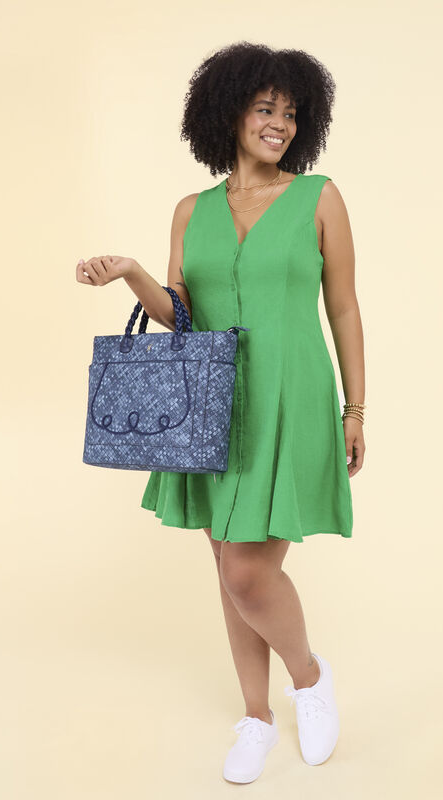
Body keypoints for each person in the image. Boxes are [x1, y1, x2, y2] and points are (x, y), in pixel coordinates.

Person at [75, 41, 365, 784]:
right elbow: (180, 313)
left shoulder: (319, 197)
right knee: (227, 568)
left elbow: (343, 307)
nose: (279, 125)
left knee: (246, 572)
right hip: (207, 403)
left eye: (291, 114)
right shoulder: (191, 211)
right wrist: (133, 272)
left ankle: (308, 678)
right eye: (265, 109)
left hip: (290, 398)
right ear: (229, 113)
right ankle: (256, 718)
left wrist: (355, 408)